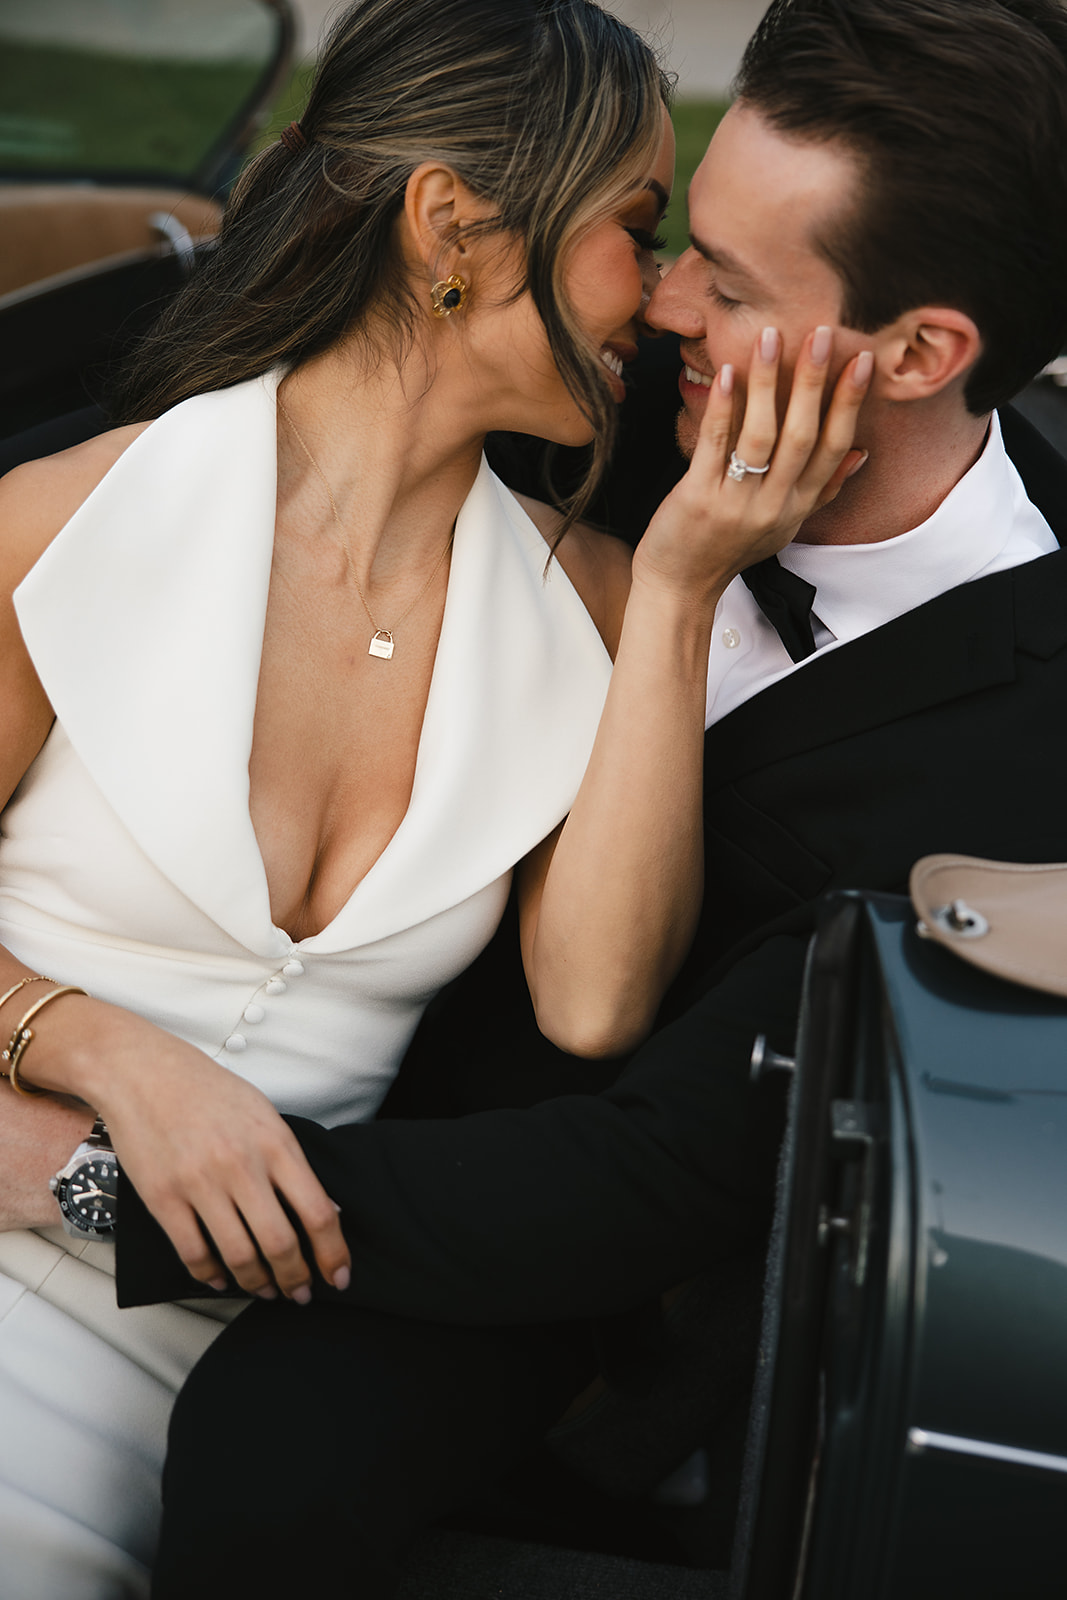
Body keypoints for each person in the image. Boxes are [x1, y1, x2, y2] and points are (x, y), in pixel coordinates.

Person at [115, 0, 1067, 1594]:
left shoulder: (1031, 747)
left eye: (738, 284)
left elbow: (630, 1184)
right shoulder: (597, 389)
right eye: (676, 235)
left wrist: (112, 1185)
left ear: (917, 354)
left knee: (263, 1476)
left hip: (505, 1219)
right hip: (182, 987)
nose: (666, 300)